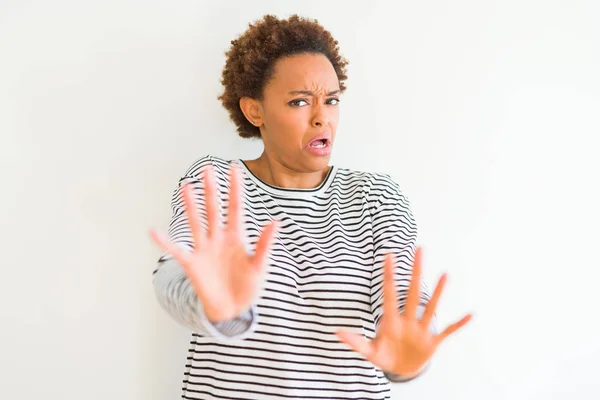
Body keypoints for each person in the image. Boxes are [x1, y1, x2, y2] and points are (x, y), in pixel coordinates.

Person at [150, 14, 472, 399]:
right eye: (299, 101)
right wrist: (219, 308)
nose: (322, 117)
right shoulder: (217, 182)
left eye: (331, 100)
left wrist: (407, 355)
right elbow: (173, 278)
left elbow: (403, 300)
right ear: (255, 111)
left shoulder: (376, 197)